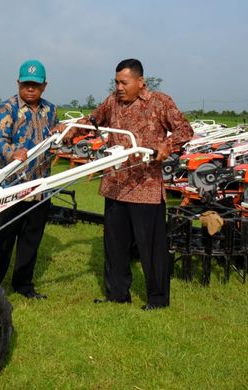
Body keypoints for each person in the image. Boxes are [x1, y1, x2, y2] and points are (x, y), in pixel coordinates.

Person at [78, 58, 193, 310]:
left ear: (141, 82)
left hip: (146, 188)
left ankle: (157, 299)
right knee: (115, 246)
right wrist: (69, 129)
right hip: (116, 185)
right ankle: (117, 295)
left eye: (124, 82)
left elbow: (185, 130)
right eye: (116, 82)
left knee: (152, 249)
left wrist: (167, 146)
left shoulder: (160, 102)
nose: (119, 87)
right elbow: (93, 121)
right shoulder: (112, 102)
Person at [0, 59, 58, 300]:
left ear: (44, 86)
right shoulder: (7, 108)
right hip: (10, 187)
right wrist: (11, 152)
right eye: (26, 84)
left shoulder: (51, 110)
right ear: (18, 83)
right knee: (2, 238)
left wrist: (59, 137)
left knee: (31, 240)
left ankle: (24, 285)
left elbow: (54, 140)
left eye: (35, 84)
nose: (30, 89)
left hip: (40, 186)